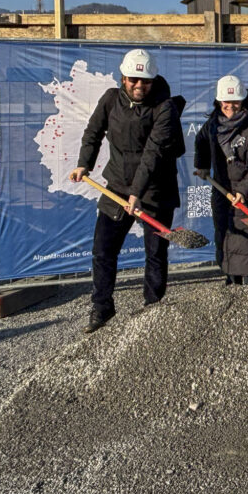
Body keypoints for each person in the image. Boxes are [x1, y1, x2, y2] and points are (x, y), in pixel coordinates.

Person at [69, 49, 185, 333]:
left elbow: (152, 154)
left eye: (145, 81)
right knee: (103, 250)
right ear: (123, 78)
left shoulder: (165, 108)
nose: (139, 85)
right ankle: (102, 307)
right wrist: (84, 164)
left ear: (153, 80)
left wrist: (137, 194)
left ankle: (152, 307)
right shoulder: (111, 99)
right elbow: (93, 132)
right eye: (134, 79)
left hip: (156, 189)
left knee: (155, 252)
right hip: (117, 188)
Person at [194, 75, 248, 285]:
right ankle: (231, 281)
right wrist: (202, 165)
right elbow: (201, 140)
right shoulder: (213, 124)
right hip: (222, 193)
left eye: (235, 102)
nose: (230, 106)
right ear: (218, 101)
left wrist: (243, 190)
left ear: (243, 101)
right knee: (226, 236)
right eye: (225, 102)